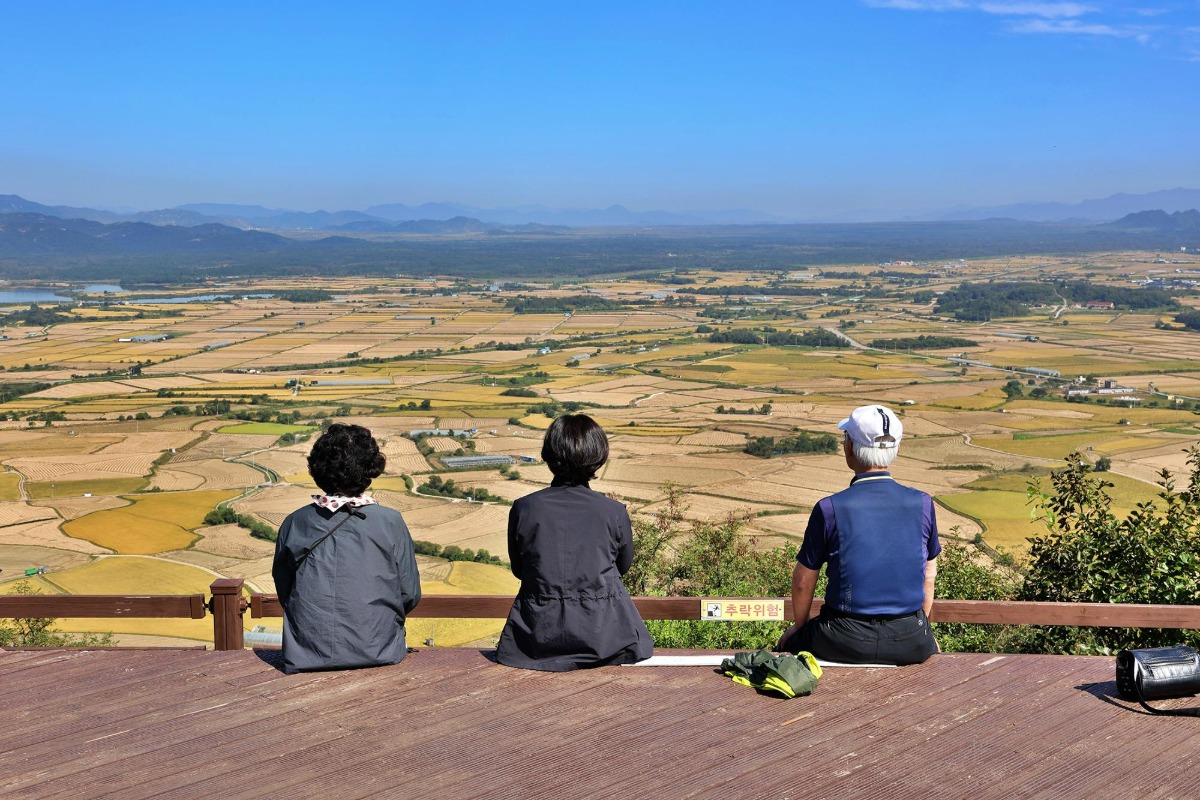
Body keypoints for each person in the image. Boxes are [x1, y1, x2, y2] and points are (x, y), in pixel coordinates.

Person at [777, 404, 940, 665]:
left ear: (849, 449)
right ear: (895, 451)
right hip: (910, 640)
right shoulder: (923, 503)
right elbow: (928, 576)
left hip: (841, 639)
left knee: (787, 646)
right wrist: (921, 629)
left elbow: (802, 582)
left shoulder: (830, 508)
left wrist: (800, 627)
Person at [496, 414, 653, 671]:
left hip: (533, 640)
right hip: (605, 639)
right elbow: (622, 567)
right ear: (598, 456)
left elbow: (519, 569)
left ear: (549, 455)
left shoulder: (524, 508)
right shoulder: (613, 512)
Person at [272, 423, 421, 674]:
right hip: (378, 647)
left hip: (307, 650)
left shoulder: (295, 522)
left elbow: (284, 588)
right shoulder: (390, 521)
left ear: (317, 469)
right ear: (370, 469)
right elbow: (409, 593)